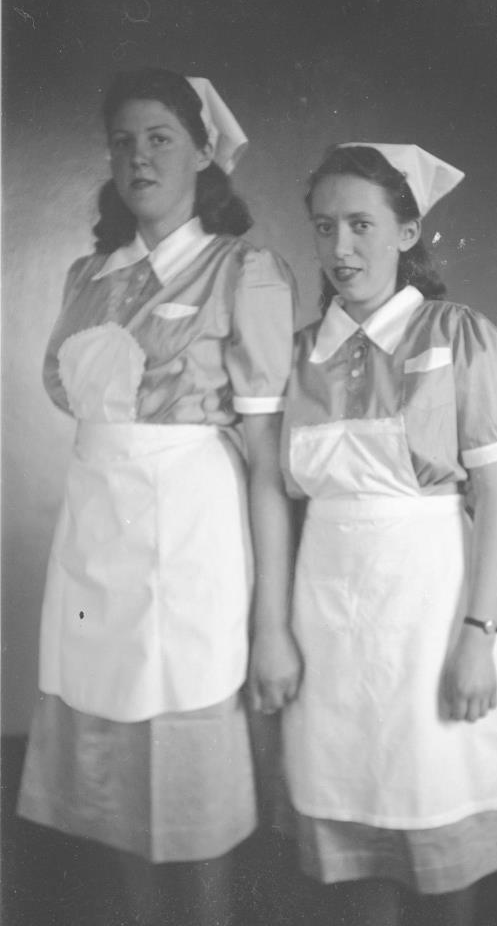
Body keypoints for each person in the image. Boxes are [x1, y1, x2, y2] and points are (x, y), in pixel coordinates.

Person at [17, 67, 301, 926]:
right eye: (123, 141)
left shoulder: (242, 270)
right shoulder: (88, 275)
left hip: (190, 542)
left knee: (193, 785)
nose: (138, 157)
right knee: (114, 778)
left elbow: (266, 464)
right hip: (93, 540)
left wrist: (273, 623)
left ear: (204, 152)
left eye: (161, 138)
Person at [254, 143, 497, 925]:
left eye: (362, 224)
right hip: (327, 615)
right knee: (353, 823)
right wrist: (274, 631)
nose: (341, 248)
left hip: (430, 610)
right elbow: (277, 496)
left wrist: (478, 636)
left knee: (437, 809)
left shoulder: (459, 338)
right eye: (325, 227)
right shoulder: (298, 355)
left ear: (408, 231)